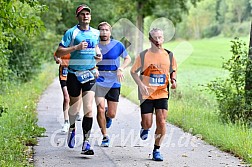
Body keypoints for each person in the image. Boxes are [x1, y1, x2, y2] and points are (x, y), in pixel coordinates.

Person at [55, 4, 102, 155]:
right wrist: (75, 48)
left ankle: (86, 143)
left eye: (88, 13)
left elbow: (96, 49)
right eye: (82, 14)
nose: (85, 16)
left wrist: (98, 56)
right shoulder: (71, 33)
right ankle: (72, 128)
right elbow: (59, 51)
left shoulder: (95, 33)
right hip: (73, 74)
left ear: (90, 16)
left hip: (89, 74)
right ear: (78, 17)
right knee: (74, 110)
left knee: (88, 108)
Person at [130, 28, 177, 161]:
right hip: (146, 94)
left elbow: (173, 70)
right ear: (150, 39)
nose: (158, 40)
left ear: (163, 39)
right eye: (155, 38)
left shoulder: (169, 55)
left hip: (162, 92)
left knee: (162, 121)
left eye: (160, 37)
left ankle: (157, 149)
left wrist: (174, 80)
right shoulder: (143, 55)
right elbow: (133, 72)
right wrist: (141, 84)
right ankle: (144, 127)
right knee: (148, 123)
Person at [95, 22, 131, 147]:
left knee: (112, 114)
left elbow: (128, 58)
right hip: (99, 80)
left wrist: (121, 68)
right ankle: (105, 136)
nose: (104, 32)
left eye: (106, 30)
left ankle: (107, 115)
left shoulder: (117, 45)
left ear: (110, 32)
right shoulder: (95, 45)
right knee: (99, 108)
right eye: (101, 30)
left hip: (114, 81)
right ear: (98, 32)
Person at [53, 53, 82, 134]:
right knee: (66, 98)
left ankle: (77, 111)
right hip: (64, 74)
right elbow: (56, 54)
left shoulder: (78, 44)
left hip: (76, 74)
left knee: (78, 95)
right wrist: (57, 59)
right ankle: (66, 122)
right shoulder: (64, 45)